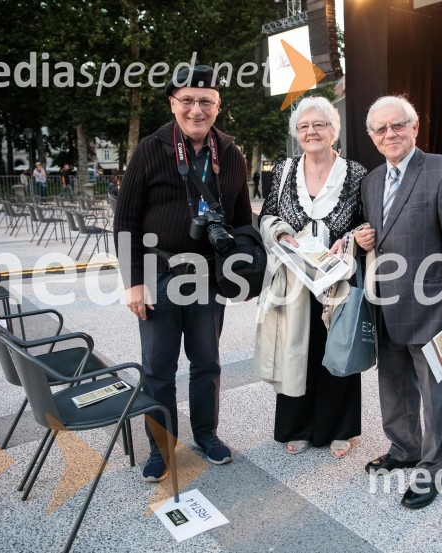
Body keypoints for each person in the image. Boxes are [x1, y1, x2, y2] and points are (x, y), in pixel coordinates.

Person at [114, 65, 251, 482]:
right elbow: (125, 222)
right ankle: (160, 445)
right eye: (188, 100)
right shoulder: (151, 148)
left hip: (208, 277)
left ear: (218, 106)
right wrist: (133, 282)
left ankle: (206, 435)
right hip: (158, 274)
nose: (197, 109)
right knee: (157, 367)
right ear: (173, 104)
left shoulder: (230, 152)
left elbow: (243, 219)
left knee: (207, 362)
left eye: (205, 101)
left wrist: (246, 265)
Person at [354, 96, 442, 509]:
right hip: (386, 307)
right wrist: (362, 238)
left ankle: (433, 470)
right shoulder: (371, 181)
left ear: (414, 127)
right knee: (393, 389)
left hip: (435, 312)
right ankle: (404, 449)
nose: (389, 134)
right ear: (372, 137)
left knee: (437, 395)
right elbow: (382, 232)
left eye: (397, 125)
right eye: (380, 129)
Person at [255, 97, 367, 458]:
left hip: (337, 279)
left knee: (338, 348)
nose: (311, 132)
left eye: (319, 125)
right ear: (296, 134)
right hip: (295, 280)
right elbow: (267, 216)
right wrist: (282, 234)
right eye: (304, 127)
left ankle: (340, 428)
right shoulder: (284, 170)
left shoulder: (356, 174)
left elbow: (367, 223)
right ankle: (297, 427)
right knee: (297, 351)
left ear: (333, 130)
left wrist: (348, 239)